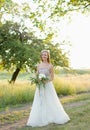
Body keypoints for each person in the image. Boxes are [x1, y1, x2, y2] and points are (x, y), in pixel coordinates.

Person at [27, 50, 70, 127]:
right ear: (41, 56)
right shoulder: (38, 65)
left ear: (48, 56)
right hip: (40, 86)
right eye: (43, 55)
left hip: (48, 86)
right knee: (40, 101)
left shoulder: (50, 65)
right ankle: (40, 118)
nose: (44, 56)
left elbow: (52, 78)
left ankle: (53, 117)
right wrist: (38, 79)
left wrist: (45, 81)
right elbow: (37, 74)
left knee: (50, 100)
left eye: (46, 55)